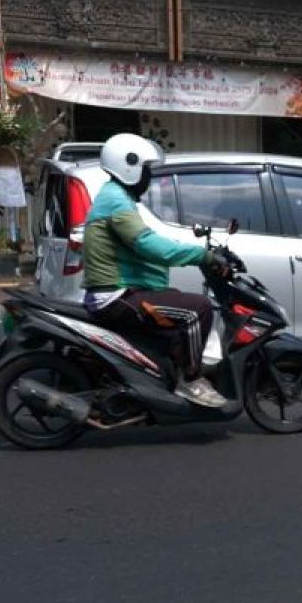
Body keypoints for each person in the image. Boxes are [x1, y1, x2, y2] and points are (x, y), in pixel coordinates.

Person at [81, 133, 227, 408]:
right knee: (199, 309)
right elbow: (149, 246)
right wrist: (202, 255)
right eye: (147, 171)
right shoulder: (116, 201)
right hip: (115, 295)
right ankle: (191, 381)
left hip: (118, 290)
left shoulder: (116, 197)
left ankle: (164, 377)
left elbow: (146, 241)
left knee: (174, 302)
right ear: (130, 167)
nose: (149, 179)